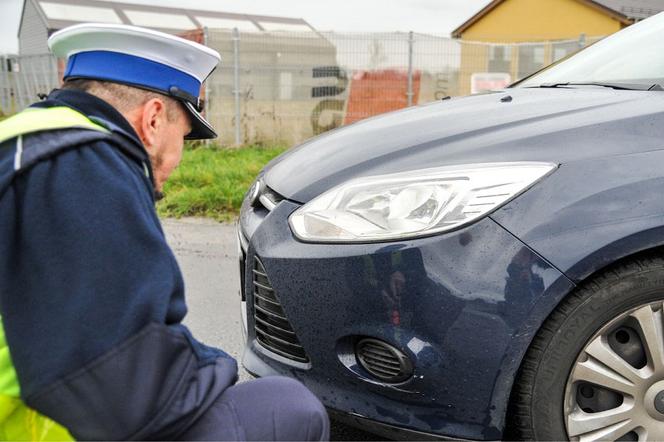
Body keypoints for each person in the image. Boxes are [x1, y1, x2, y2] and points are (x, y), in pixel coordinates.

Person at [0, 23, 329, 441]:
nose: (175, 163)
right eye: (183, 138)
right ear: (154, 118)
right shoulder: (83, 164)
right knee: (290, 406)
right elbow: (116, 383)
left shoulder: (23, 143)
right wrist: (214, 369)